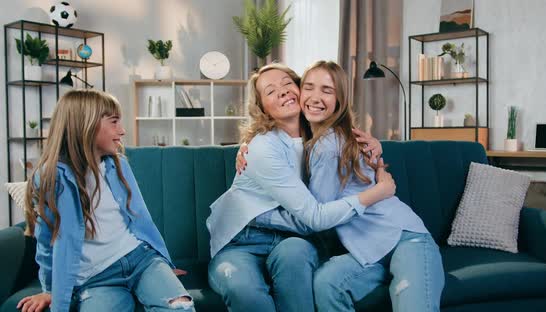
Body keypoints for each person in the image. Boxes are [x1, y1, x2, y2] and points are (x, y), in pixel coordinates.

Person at [238, 61, 445, 312]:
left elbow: (313, 219)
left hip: (404, 237)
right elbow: (271, 137)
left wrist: (256, 217)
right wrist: (247, 144)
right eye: (309, 87)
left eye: (327, 90)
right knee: (326, 284)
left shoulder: (328, 144)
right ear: (299, 93)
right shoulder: (309, 137)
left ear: (340, 99)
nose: (315, 97)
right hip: (364, 247)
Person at [207, 63, 395, 312]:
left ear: (300, 89)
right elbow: (313, 218)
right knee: (245, 291)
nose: (283, 91)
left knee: (296, 258)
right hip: (243, 241)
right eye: (271, 91)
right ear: (262, 107)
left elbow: (351, 145)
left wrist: (373, 145)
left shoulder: (321, 136)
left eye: (287, 83)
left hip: (292, 238)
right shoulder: (262, 147)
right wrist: (375, 193)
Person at [18, 90, 195, 312]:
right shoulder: (51, 177)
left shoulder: (118, 164)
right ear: (86, 124)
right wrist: (50, 289)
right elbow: (45, 239)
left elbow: (142, 219)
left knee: (180, 308)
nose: (122, 130)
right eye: (114, 122)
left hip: (141, 260)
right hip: (95, 278)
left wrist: (163, 263)